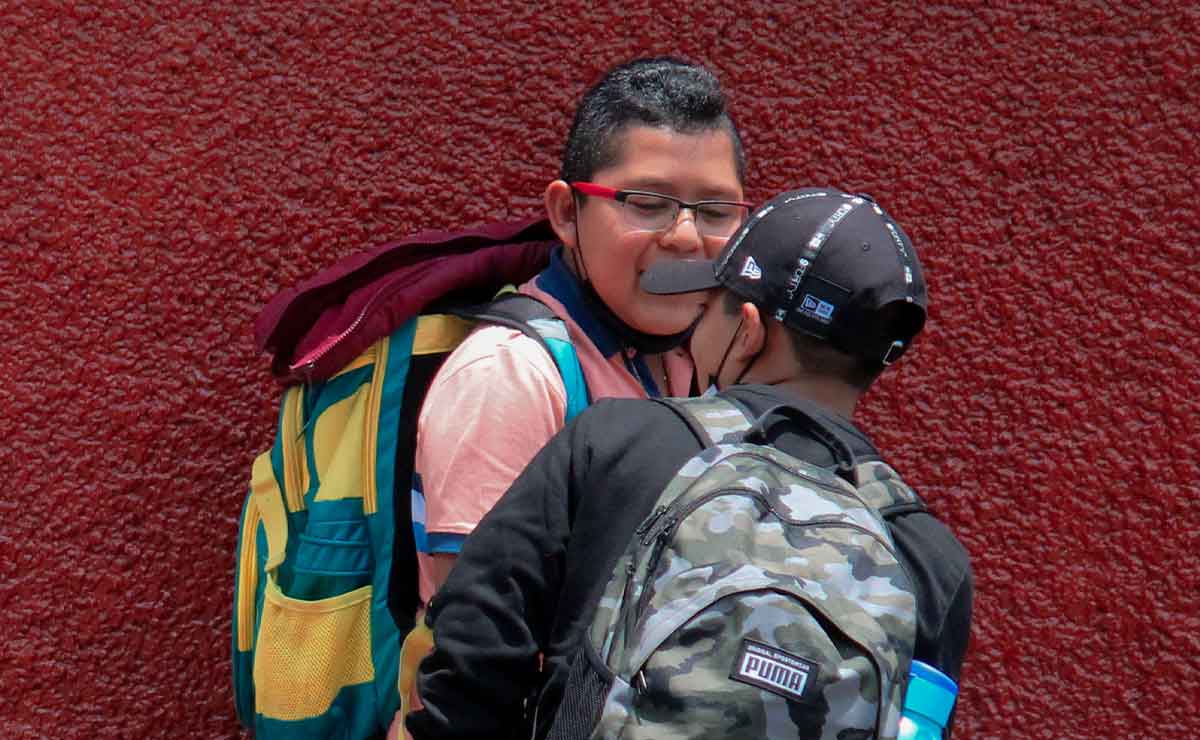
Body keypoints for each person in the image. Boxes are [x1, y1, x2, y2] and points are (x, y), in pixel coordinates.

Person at [407, 188, 974, 740]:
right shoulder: (930, 558)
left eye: (706, 308)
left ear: (747, 330)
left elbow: (473, 652)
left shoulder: (617, 442)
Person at [411, 56, 749, 602]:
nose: (687, 238)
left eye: (715, 212)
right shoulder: (510, 376)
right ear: (567, 213)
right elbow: (477, 630)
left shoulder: (696, 356)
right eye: (648, 204)